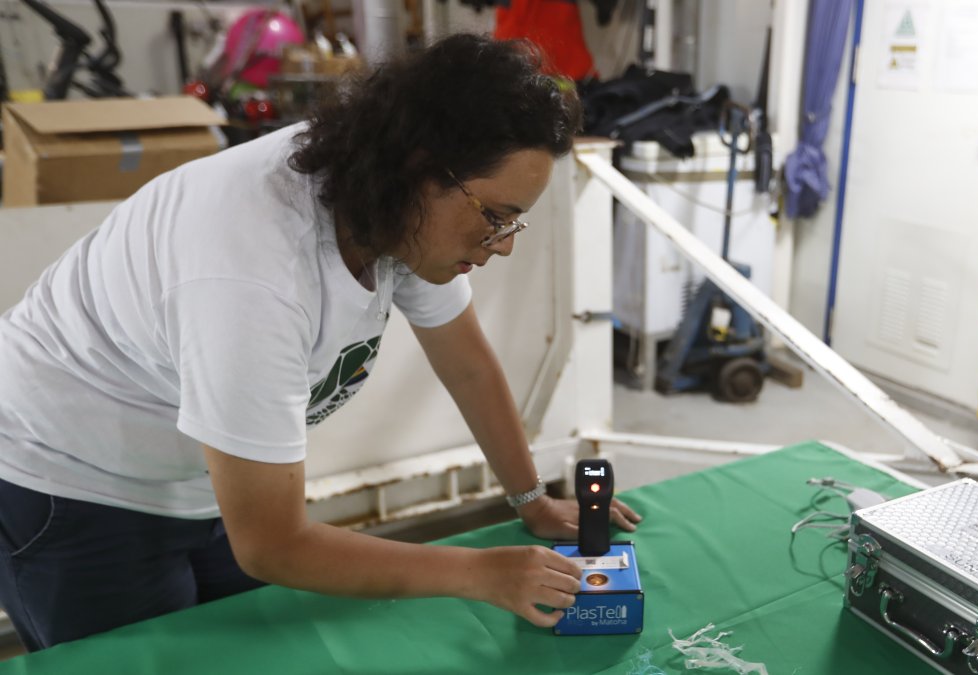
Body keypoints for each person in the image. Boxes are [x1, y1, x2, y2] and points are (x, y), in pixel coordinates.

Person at [0, 33, 641, 651]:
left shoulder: (387, 202)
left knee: (251, 651)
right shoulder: (254, 271)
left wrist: (531, 501)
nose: (502, 246)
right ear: (421, 170)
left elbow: (466, 362)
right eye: (495, 217)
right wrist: (479, 573)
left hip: (193, 477)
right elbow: (272, 545)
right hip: (68, 478)